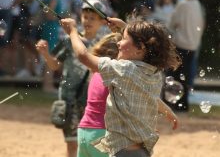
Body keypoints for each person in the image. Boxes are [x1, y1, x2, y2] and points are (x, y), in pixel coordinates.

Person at [61, 16, 181, 157]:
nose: (118, 43)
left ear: (140, 48)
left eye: (123, 39)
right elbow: (142, 46)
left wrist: (73, 32)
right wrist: (125, 29)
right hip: (140, 152)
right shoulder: (154, 73)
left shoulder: (123, 69)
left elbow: (83, 56)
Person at [36, 0, 109, 157]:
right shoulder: (70, 41)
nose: (88, 21)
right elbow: (55, 65)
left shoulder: (105, 44)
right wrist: (45, 54)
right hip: (69, 98)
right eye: (85, 16)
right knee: (72, 143)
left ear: (102, 22)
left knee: (93, 143)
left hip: (93, 101)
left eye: (93, 18)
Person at [168, 0, 205, 112]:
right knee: (187, 75)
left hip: (180, 45)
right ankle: (184, 104)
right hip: (193, 45)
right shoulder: (197, 4)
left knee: (175, 75)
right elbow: (201, 24)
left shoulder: (181, 4)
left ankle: (172, 103)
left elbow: (172, 24)